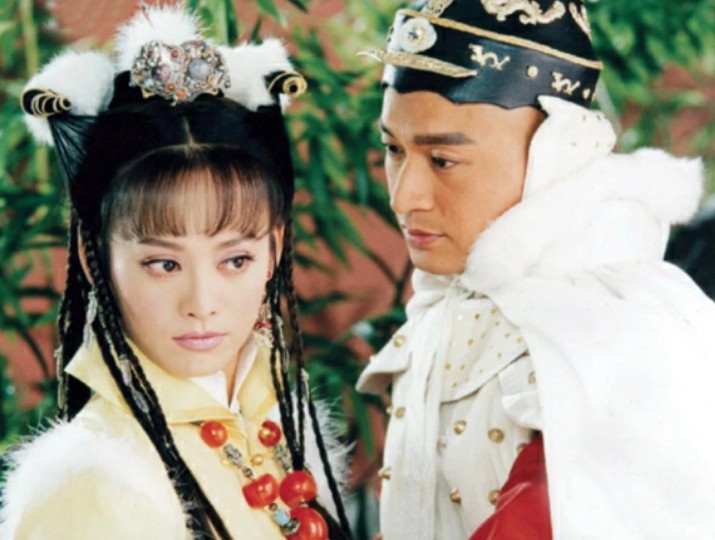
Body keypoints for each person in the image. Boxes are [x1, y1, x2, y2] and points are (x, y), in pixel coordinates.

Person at [356, 0, 715, 538]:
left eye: (443, 161)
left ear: (557, 152)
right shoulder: (452, 297)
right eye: (392, 149)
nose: (404, 197)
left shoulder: (624, 331)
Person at [0, 6, 352, 539]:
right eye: (163, 264)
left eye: (235, 260)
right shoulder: (97, 482)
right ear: (96, 259)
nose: (202, 303)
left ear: (274, 250)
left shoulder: (280, 423)